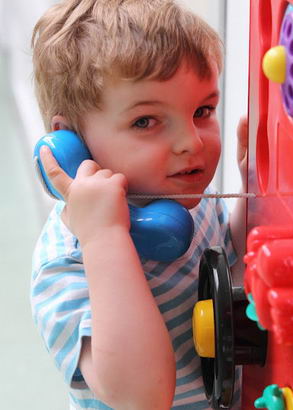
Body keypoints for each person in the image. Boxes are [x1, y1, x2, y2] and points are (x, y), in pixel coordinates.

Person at [30, 1, 247, 409]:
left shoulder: (181, 194)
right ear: (71, 141)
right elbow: (141, 396)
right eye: (146, 121)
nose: (192, 143)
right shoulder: (65, 268)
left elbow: (231, 258)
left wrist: (257, 190)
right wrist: (105, 237)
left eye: (202, 111)